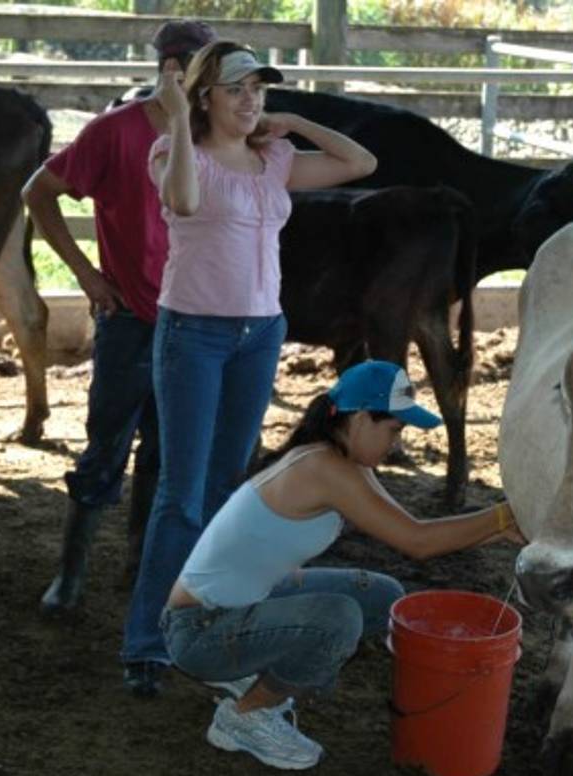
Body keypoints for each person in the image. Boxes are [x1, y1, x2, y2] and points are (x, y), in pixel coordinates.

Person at [119, 41, 379, 697]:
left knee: (229, 483)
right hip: (194, 333)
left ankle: (210, 618)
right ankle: (147, 641)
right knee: (181, 491)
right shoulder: (177, 153)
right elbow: (180, 201)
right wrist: (176, 120)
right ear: (205, 95)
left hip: (260, 333)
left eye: (258, 90)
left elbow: (360, 161)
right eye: (236, 89)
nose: (251, 100)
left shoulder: (273, 159)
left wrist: (294, 123)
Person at [162, 360, 525, 770]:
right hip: (199, 630)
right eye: (394, 429)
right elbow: (417, 542)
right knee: (338, 619)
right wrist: (501, 515)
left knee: (382, 596)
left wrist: (501, 529)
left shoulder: (343, 460)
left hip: (237, 605)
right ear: (359, 418)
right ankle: (245, 717)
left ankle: (254, 664)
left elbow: (416, 529)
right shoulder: (324, 468)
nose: (396, 442)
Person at [22, 20, 217, 619]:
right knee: (107, 446)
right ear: (168, 69)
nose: (200, 85)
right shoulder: (115, 133)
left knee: (167, 450)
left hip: (194, 318)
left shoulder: (215, 137)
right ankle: (71, 574)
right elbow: (39, 190)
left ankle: (142, 567)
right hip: (131, 316)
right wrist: (85, 272)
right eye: (193, 70)